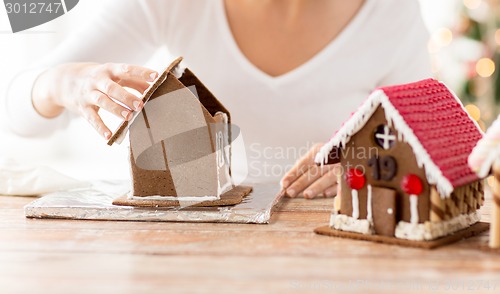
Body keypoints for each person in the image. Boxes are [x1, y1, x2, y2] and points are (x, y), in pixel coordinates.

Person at [3, 0, 431, 199]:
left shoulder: (392, 12)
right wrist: (63, 82)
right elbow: (18, 113)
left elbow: (424, 143)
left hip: (330, 251)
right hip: (198, 252)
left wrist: (373, 159)